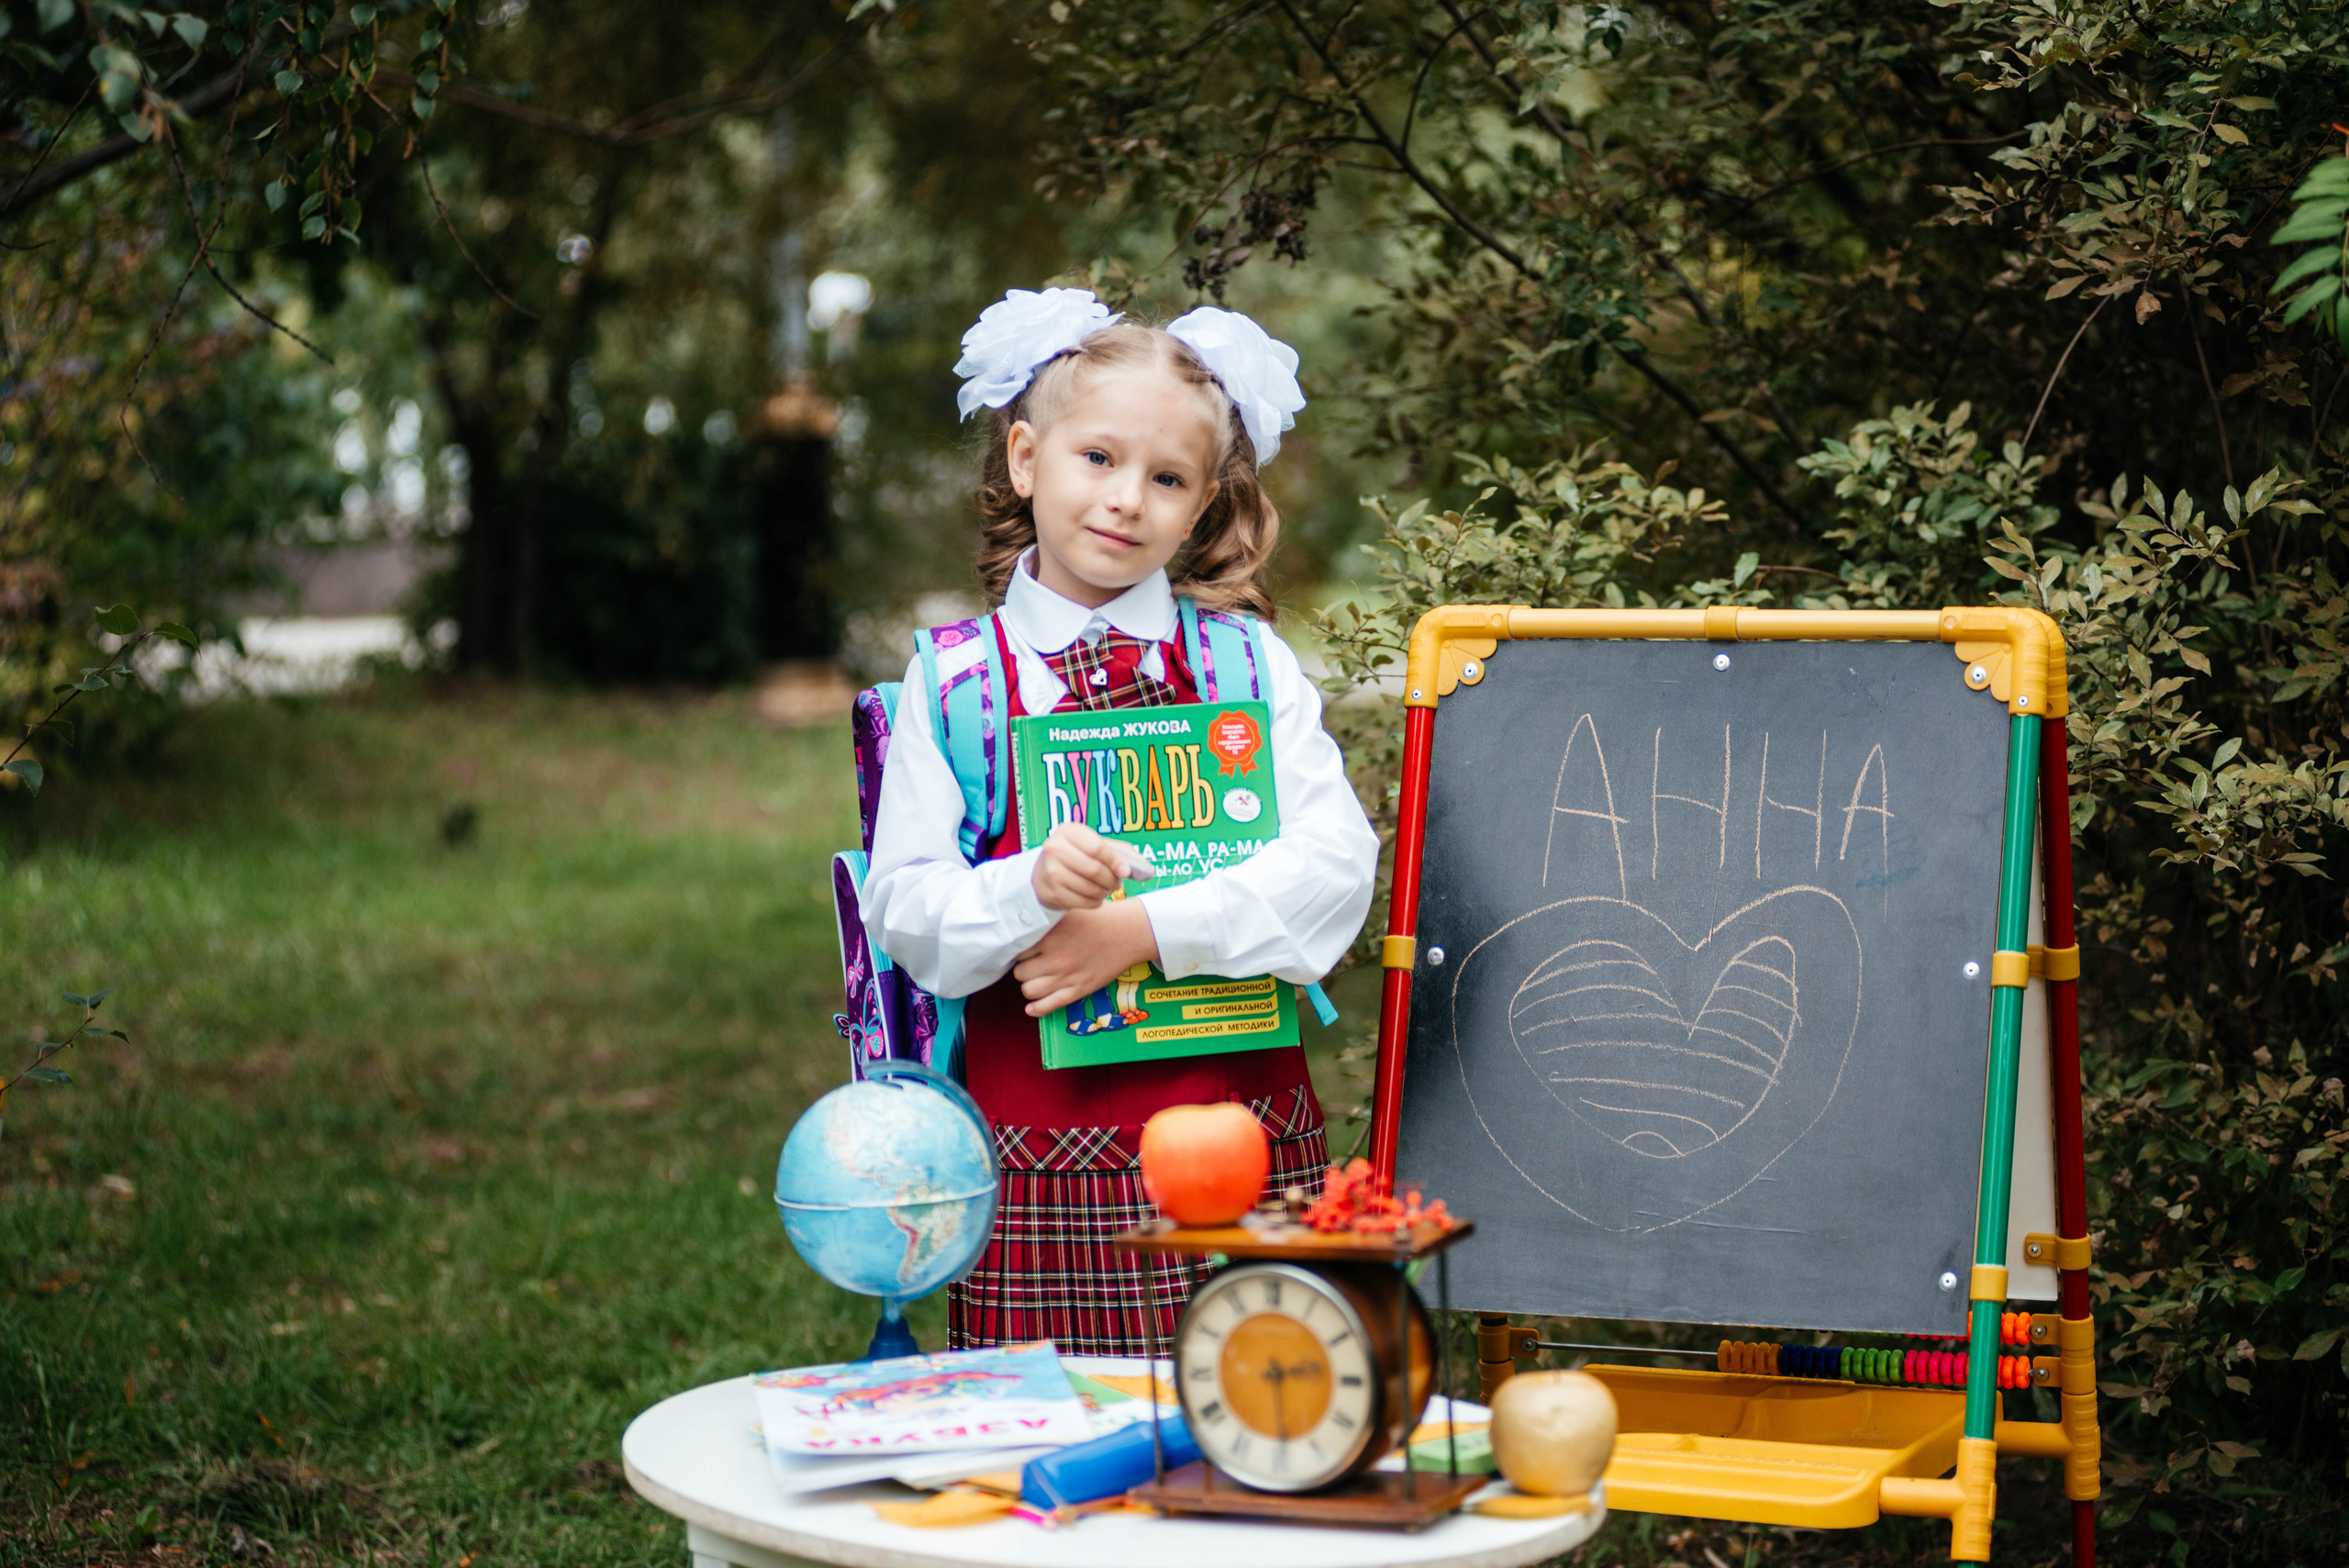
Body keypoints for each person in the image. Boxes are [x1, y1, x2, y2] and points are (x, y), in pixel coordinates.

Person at [861, 288, 1380, 1354]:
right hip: (1039, 1145)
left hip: (1240, 1132)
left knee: (1256, 1423)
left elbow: (1335, 869)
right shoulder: (958, 683)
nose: (1125, 498)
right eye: (1096, 457)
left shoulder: (1244, 666)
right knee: (1047, 1444)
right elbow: (907, 912)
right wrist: (1029, 887)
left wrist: (1141, 930)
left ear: (1199, 508)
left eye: (1166, 477)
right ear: (1024, 457)